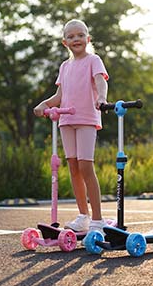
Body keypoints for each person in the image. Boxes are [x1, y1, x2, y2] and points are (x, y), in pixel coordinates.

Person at [33, 19, 109, 233]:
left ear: (88, 38)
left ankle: (97, 219)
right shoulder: (65, 66)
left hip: (86, 118)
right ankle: (83, 215)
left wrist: (102, 98)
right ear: (64, 42)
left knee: (86, 166)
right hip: (66, 120)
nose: (76, 39)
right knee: (74, 168)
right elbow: (60, 95)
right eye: (71, 36)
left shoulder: (93, 60)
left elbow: (101, 81)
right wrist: (44, 105)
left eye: (80, 35)